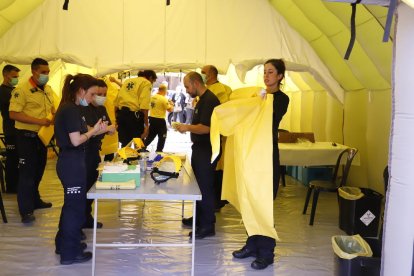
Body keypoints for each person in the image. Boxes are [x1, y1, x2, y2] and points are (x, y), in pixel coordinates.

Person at [211, 59, 289, 270]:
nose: (266, 76)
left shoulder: (281, 99)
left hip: (266, 158)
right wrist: (255, 99)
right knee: (249, 201)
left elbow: (269, 117)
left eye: (271, 72)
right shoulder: (257, 96)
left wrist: (259, 101)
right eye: (264, 72)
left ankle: (266, 252)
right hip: (250, 156)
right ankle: (252, 244)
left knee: (262, 204)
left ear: (280, 76)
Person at [54, 73, 108, 265]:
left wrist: (93, 130)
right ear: (81, 91)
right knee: (75, 209)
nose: (94, 99)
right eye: (92, 94)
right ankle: (70, 252)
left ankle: (64, 244)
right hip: (72, 162)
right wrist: (93, 131)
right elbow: (76, 140)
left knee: (71, 206)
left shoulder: (71, 108)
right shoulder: (70, 110)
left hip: (73, 161)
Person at [9, 58, 55, 223]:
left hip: (42, 137)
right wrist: (39, 121)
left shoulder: (48, 89)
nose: (46, 75)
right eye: (43, 72)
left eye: (48, 72)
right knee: (27, 174)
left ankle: (35, 200)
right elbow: (13, 114)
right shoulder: (22, 90)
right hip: (26, 137)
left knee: (39, 170)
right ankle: (26, 210)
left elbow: (52, 107)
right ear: (34, 71)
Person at [176, 72, 220, 239]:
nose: (187, 90)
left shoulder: (210, 100)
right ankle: (200, 217)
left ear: (195, 83)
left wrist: (186, 127)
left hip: (207, 150)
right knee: (198, 186)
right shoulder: (202, 100)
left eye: (187, 86)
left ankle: (207, 225)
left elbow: (206, 128)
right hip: (200, 148)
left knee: (205, 188)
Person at [81, 79, 116, 229]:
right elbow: (88, 130)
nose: (102, 97)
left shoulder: (101, 108)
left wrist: (105, 129)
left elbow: (110, 127)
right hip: (83, 152)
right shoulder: (82, 108)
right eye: (98, 94)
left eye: (104, 94)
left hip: (95, 150)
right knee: (82, 188)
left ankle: (86, 216)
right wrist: (103, 129)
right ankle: (79, 222)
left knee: (91, 184)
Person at [201, 65, 233, 211]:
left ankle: (216, 203)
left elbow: (225, 112)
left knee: (216, 170)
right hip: (205, 137)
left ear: (211, 74)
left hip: (217, 135)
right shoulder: (204, 90)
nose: (201, 75)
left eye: (203, 73)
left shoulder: (222, 89)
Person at [114, 70, 157, 147]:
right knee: (138, 143)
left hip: (121, 115)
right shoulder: (146, 83)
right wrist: (146, 126)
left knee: (125, 144)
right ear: (150, 77)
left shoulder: (127, 81)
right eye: (153, 81)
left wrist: (116, 119)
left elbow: (116, 103)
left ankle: (126, 158)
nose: (152, 83)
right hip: (134, 117)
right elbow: (144, 107)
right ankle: (138, 157)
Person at [0, 65, 20, 193]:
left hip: (18, 129)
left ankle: (16, 184)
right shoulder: (2, 92)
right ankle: (11, 187)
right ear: (5, 75)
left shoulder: (13, 90)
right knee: (12, 159)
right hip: (10, 131)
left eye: (17, 77)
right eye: (14, 76)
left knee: (17, 158)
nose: (16, 79)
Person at [144, 83, 173, 152]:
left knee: (151, 135)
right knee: (163, 136)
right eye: (166, 91)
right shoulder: (163, 99)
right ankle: (159, 150)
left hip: (152, 118)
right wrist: (171, 104)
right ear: (164, 91)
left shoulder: (152, 97)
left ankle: (142, 147)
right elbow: (170, 109)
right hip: (160, 120)